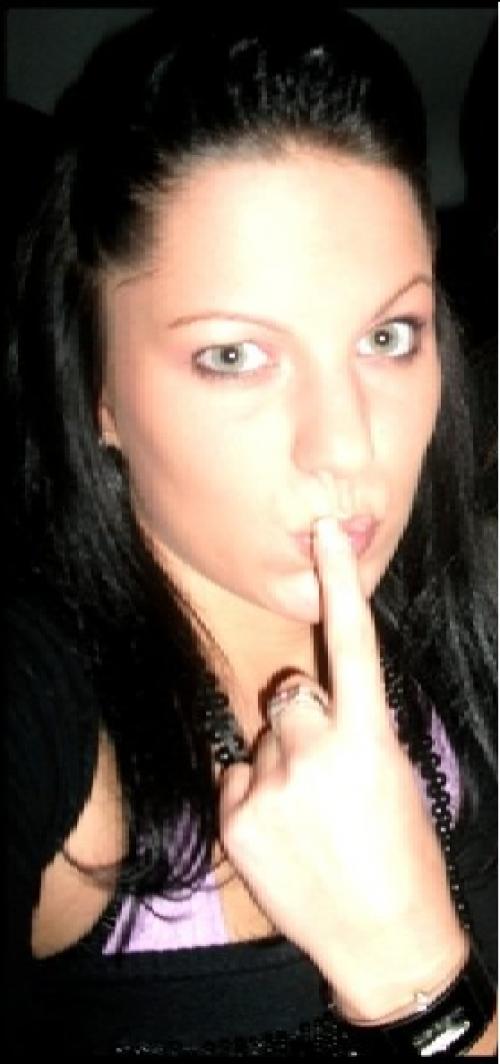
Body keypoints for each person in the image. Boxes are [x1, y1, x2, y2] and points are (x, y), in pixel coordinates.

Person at [5, 10, 497, 1056]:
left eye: (386, 336)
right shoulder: (41, 704)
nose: (344, 444)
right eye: (233, 356)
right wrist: (419, 989)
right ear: (97, 389)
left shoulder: (469, 610)